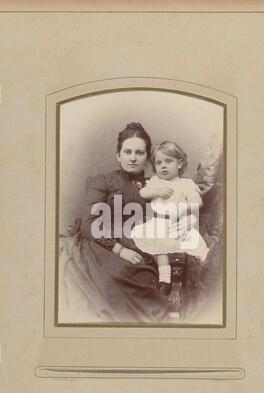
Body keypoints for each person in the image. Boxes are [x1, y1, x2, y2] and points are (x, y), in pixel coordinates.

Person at [59, 122, 170, 323]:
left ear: (147, 158)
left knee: (145, 277)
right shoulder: (101, 181)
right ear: (118, 155)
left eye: (140, 152)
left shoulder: (156, 186)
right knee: (118, 274)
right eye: (127, 152)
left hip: (142, 248)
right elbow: (89, 224)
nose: (133, 157)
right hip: (104, 245)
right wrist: (119, 249)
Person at [131, 141, 209, 295]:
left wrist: (182, 208)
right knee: (160, 248)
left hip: (176, 223)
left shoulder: (186, 184)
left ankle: (177, 281)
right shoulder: (155, 182)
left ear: (179, 164)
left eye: (168, 161)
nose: (163, 166)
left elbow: (197, 202)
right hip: (157, 222)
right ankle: (164, 280)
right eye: (158, 163)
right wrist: (157, 191)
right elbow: (142, 193)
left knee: (179, 246)